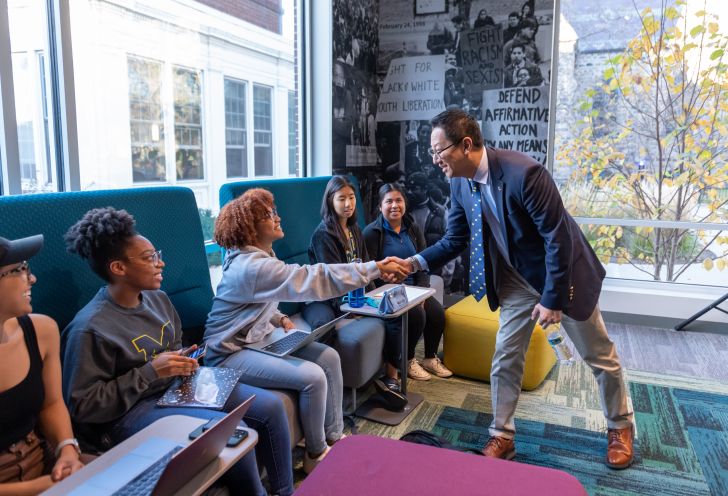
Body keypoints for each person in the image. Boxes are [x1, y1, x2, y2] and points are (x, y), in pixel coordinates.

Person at [394, 109, 635, 469]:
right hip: (515, 280)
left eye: (438, 151)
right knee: (505, 356)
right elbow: (455, 238)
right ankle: (502, 435)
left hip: (562, 275)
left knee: (598, 354)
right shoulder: (459, 181)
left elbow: (559, 240)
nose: (434, 161)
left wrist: (552, 299)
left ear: (466, 145)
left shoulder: (526, 174)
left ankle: (620, 425)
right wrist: (413, 263)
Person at [61, 208, 293, 496]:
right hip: (130, 413)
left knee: (269, 406)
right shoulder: (89, 328)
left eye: (156, 254)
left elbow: (170, 347)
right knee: (231, 430)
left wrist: (184, 360)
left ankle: (285, 491)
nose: (161, 263)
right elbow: (83, 406)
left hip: (175, 388)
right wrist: (149, 373)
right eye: (150, 259)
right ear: (119, 268)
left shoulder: (158, 300)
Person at [203, 188, 407, 473]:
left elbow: (249, 303)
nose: (278, 217)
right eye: (269, 214)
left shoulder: (259, 259)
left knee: (329, 357)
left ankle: (334, 437)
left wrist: (276, 318)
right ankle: (316, 453)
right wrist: (373, 268)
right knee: (312, 376)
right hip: (228, 354)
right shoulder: (250, 266)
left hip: (256, 339)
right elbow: (311, 277)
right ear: (250, 227)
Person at [0, 235, 85, 495]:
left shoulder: (41, 330)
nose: (32, 278)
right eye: (20, 269)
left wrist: (67, 449)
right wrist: (35, 488)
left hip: (43, 463)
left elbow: (51, 404)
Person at [363, 183, 453, 384]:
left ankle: (429, 358)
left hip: (413, 289)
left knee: (438, 314)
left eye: (398, 200)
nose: (394, 205)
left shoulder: (412, 228)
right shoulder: (371, 233)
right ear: (380, 206)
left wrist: (421, 294)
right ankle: (409, 360)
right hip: (387, 293)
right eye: (389, 201)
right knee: (417, 315)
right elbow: (369, 273)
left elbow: (423, 263)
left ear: (405, 203)